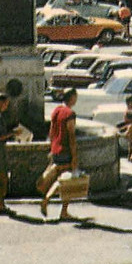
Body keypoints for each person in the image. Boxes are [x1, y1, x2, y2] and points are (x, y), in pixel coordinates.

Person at [36, 87, 78, 220]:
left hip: (55, 149)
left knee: (62, 179)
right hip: (65, 150)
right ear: (72, 98)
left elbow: (51, 131)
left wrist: (51, 148)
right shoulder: (70, 114)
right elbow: (71, 136)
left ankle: (61, 210)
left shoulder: (56, 110)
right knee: (66, 180)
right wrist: (74, 156)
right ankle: (51, 203)